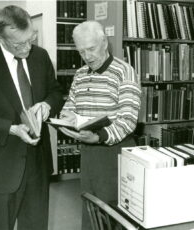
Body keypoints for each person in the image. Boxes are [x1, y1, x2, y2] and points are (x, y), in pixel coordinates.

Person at [0, 5, 63, 230]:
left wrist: (47, 104)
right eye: (18, 44)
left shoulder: (41, 56)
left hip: (38, 164)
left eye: (31, 39)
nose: (27, 48)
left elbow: (55, 92)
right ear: (0, 38)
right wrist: (11, 129)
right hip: (0, 166)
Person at [59, 20, 141, 229]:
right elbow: (70, 105)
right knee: (90, 209)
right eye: (81, 51)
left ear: (104, 42)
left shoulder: (125, 72)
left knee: (114, 214)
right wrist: (65, 119)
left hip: (114, 152)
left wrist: (100, 136)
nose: (87, 56)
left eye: (91, 49)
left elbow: (128, 119)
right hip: (88, 152)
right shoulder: (80, 75)